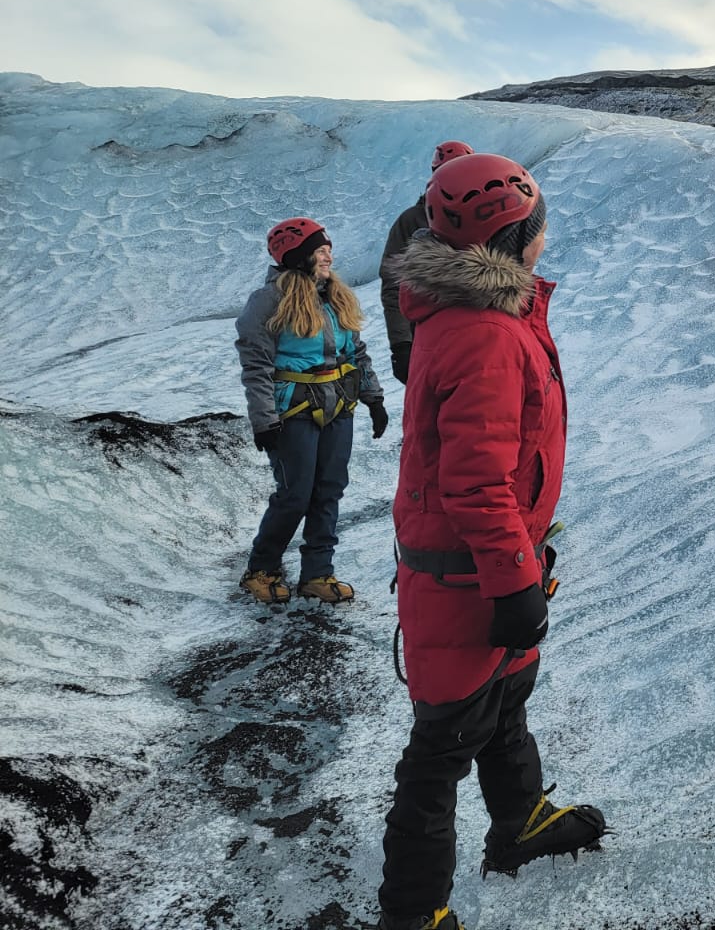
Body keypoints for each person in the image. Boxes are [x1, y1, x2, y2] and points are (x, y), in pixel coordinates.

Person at [378, 153, 606, 930]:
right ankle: (413, 913)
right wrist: (512, 582)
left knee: (503, 706)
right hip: (469, 579)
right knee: (441, 747)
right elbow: (475, 482)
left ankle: (521, 826)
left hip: (487, 565)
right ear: (514, 237)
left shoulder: (486, 319)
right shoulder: (484, 336)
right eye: (538, 225)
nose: (547, 236)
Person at [235, 218, 387, 604]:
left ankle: (318, 573)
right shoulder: (269, 301)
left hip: (338, 404)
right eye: (319, 251)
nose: (328, 256)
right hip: (293, 411)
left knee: (329, 490)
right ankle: (262, 569)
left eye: (327, 249)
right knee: (295, 495)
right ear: (298, 256)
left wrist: (374, 398)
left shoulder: (334, 294)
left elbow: (356, 352)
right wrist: (264, 421)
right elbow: (257, 365)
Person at [381, 140, 474, 384]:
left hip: (480, 338)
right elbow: (394, 286)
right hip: (428, 340)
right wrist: (401, 345)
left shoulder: (484, 216)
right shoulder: (412, 220)